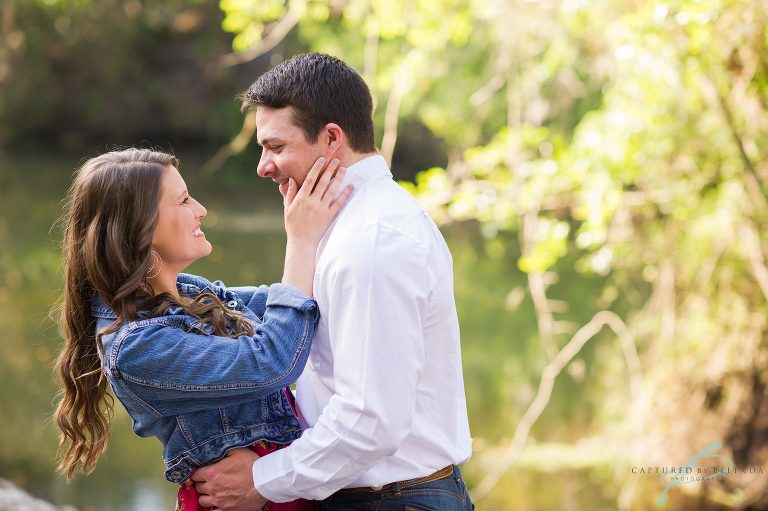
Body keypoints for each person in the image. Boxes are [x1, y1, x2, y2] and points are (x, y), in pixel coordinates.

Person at [192, 53, 474, 511]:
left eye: (276, 147)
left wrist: (261, 480)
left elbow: (371, 420)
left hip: (392, 501)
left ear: (331, 139)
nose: (263, 166)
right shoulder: (341, 223)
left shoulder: (372, 241)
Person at [52, 148, 351, 511]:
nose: (201, 209)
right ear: (140, 226)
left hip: (281, 492)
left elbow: (292, 306)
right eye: (183, 200)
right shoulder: (136, 347)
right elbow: (274, 360)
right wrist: (301, 241)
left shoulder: (188, 291)